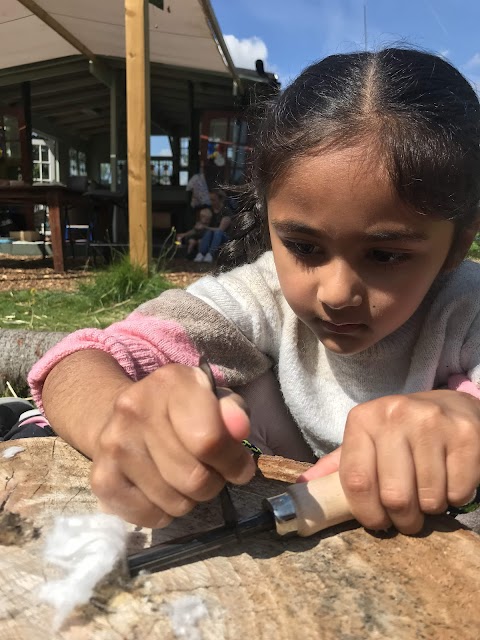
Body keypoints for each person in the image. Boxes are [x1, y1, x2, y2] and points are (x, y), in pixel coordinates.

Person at [28, 48, 480, 535]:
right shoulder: (263, 295)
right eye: (304, 246)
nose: (336, 293)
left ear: (460, 242)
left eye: (385, 256)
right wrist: (119, 421)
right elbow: (78, 360)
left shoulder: (466, 308)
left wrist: (467, 416)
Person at [193, 190, 233, 263]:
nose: (211, 202)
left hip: (224, 236)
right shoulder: (209, 210)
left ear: (220, 200)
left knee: (217, 232)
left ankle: (210, 254)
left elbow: (221, 229)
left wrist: (204, 227)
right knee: (209, 232)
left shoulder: (226, 211)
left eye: (213, 200)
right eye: (210, 200)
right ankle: (201, 254)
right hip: (210, 236)